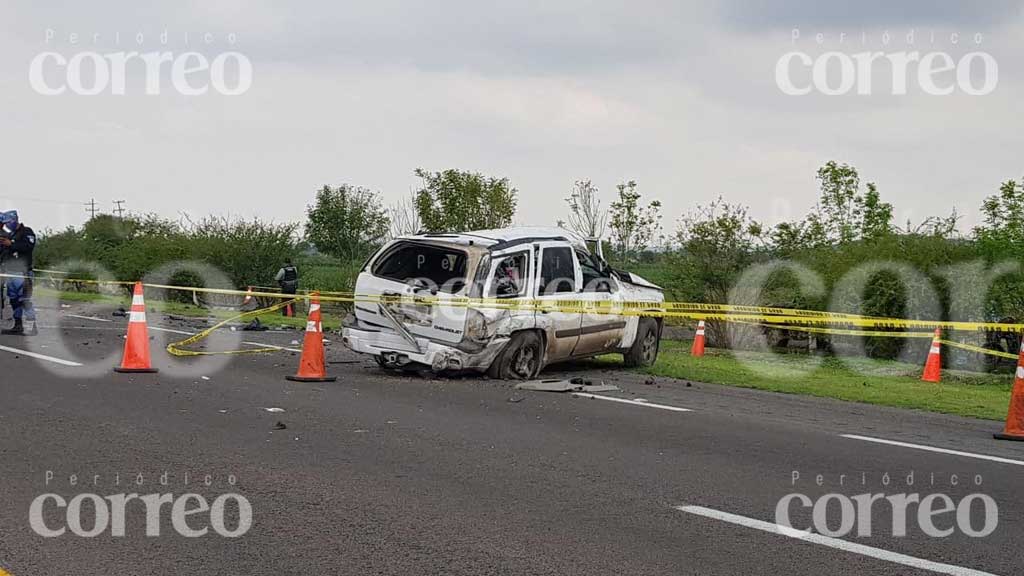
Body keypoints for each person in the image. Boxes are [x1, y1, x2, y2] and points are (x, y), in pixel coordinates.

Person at [0, 211, 37, 335]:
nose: (6, 225)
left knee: (25, 299)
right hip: (11, 273)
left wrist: (12, 244)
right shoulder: (11, 235)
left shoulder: (27, 232)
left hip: (23, 273)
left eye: (8, 222)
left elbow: (28, 246)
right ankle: (18, 325)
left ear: (14, 220)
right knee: (14, 300)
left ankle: (31, 326)